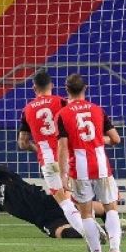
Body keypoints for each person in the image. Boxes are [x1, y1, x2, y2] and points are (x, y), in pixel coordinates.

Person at [57, 73, 126, 252]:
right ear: (85, 88)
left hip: (79, 168)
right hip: (101, 165)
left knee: (86, 214)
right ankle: (115, 249)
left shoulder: (63, 114)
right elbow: (115, 139)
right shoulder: (98, 110)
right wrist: (97, 140)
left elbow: (63, 148)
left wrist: (63, 175)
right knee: (111, 208)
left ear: (66, 89)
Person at [17, 70, 86, 239]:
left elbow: (22, 143)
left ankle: (91, 233)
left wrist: (36, 148)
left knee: (66, 203)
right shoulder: (62, 102)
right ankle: (97, 232)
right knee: (79, 199)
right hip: (67, 159)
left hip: (47, 161)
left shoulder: (27, 110)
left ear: (34, 87)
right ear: (52, 85)